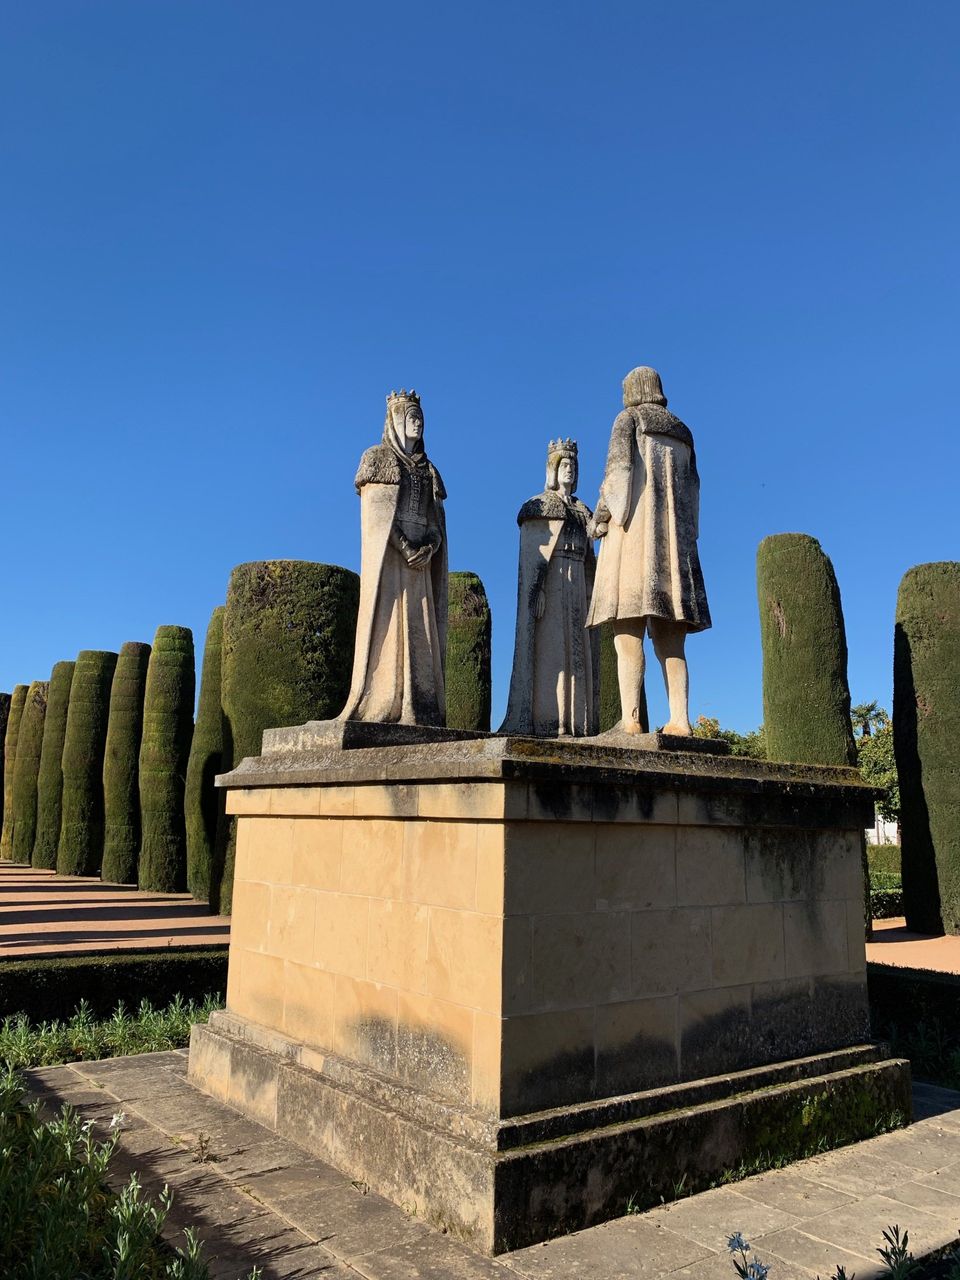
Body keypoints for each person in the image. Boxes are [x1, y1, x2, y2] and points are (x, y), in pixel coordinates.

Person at [587, 367, 710, 736]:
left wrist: (599, 519)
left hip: (634, 544)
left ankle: (632, 719)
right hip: (675, 550)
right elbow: (693, 495)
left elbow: (618, 482)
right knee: (672, 642)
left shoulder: (629, 419)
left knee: (627, 636)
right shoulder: (684, 434)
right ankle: (680, 720)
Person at [339, 389, 448, 725]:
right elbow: (377, 520)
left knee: (420, 632)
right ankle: (384, 701)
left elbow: (436, 523)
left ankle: (421, 707)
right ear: (395, 421)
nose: (417, 423)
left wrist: (428, 547)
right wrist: (405, 547)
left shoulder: (429, 470)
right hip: (391, 562)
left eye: (420, 417)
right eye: (410, 417)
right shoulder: (378, 458)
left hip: (420, 566)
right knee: (388, 627)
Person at [500, 438, 598, 736]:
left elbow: (597, 536)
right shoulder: (539, 506)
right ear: (553, 470)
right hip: (554, 580)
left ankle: (578, 725)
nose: (569, 470)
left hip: (578, 583)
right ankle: (549, 721)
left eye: (573, 465)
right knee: (553, 652)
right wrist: (537, 589)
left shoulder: (583, 510)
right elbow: (534, 557)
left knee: (578, 653)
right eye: (564, 465)